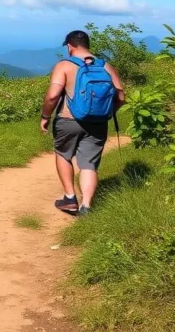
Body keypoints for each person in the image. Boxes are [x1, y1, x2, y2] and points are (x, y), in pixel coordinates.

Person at [41, 30, 125, 216]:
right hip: (98, 122)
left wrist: (45, 117)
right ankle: (86, 205)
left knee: (63, 154)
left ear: (69, 46)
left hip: (68, 120)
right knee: (88, 163)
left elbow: (53, 96)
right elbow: (121, 96)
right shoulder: (106, 66)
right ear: (88, 45)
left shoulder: (64, 65)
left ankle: (70, 198)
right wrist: (107, 113)